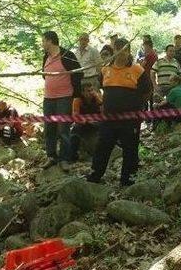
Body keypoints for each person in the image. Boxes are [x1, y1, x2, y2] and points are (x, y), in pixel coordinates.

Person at [87, 38, 152, 186]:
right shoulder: (105, 70)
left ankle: (128, 178)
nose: (122, 54)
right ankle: (95, 174)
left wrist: (137, 106)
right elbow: (98, 88)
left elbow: (147, 92)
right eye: (119, 50)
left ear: (129, 52)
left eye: (125, 51)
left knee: (130, 148)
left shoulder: (137, 70)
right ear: (114, 51)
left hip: (130, 120)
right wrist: (102, 103)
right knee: (102, 146)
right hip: (108, 119)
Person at [41, 30, 83, 169]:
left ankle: (65, 159)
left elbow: (79, 73)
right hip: (48, 98)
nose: (42, 44)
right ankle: (51, 156)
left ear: (50, 41)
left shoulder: (67, 55)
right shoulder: (45, 56)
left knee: (63, 129)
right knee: (49, 129)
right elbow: (44, 75)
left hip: (64, 98)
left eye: (43, 41)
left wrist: (74, 92)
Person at [69, 82, 103, 162]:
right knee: (75, 131)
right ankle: (72, 156)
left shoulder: (97, 97)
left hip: (97, 122)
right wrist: (86, 121)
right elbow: (75, 115)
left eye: (92, 90)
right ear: (83, 92)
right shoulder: (77, 100)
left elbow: (103, 111)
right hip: (84, 123)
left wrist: (97, 98)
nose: (91, 92)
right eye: (88, 91)